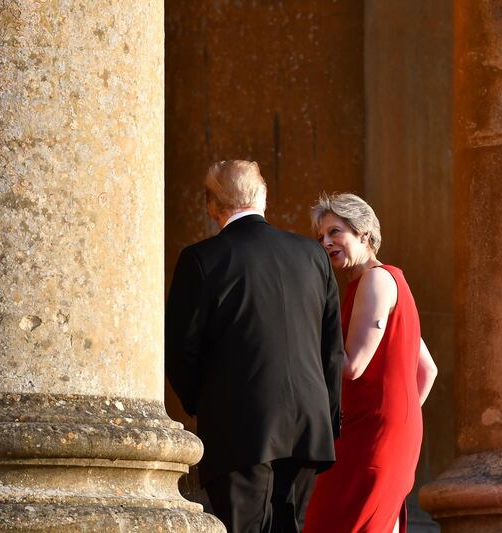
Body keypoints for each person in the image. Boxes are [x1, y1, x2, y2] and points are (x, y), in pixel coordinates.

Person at [165, 161, 344, 533]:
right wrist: (327, 415)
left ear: (212, 207)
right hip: (308, 428)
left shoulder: (201, 260)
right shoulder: (313, 257)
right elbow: (332, 349)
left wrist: (203, 403)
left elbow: (180, 351)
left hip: (239, 425)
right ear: (263, 198)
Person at [303, 193, 438, 533]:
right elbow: (427, 370)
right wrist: (399, 417)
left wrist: (309, 321)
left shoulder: (376, 281)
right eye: (321, 237)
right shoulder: (384, 282)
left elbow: (352, 366)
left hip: (371, 434)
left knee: (346, 520)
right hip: (375, 429)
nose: (326, 242)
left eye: (335, 232)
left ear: (364, 233)